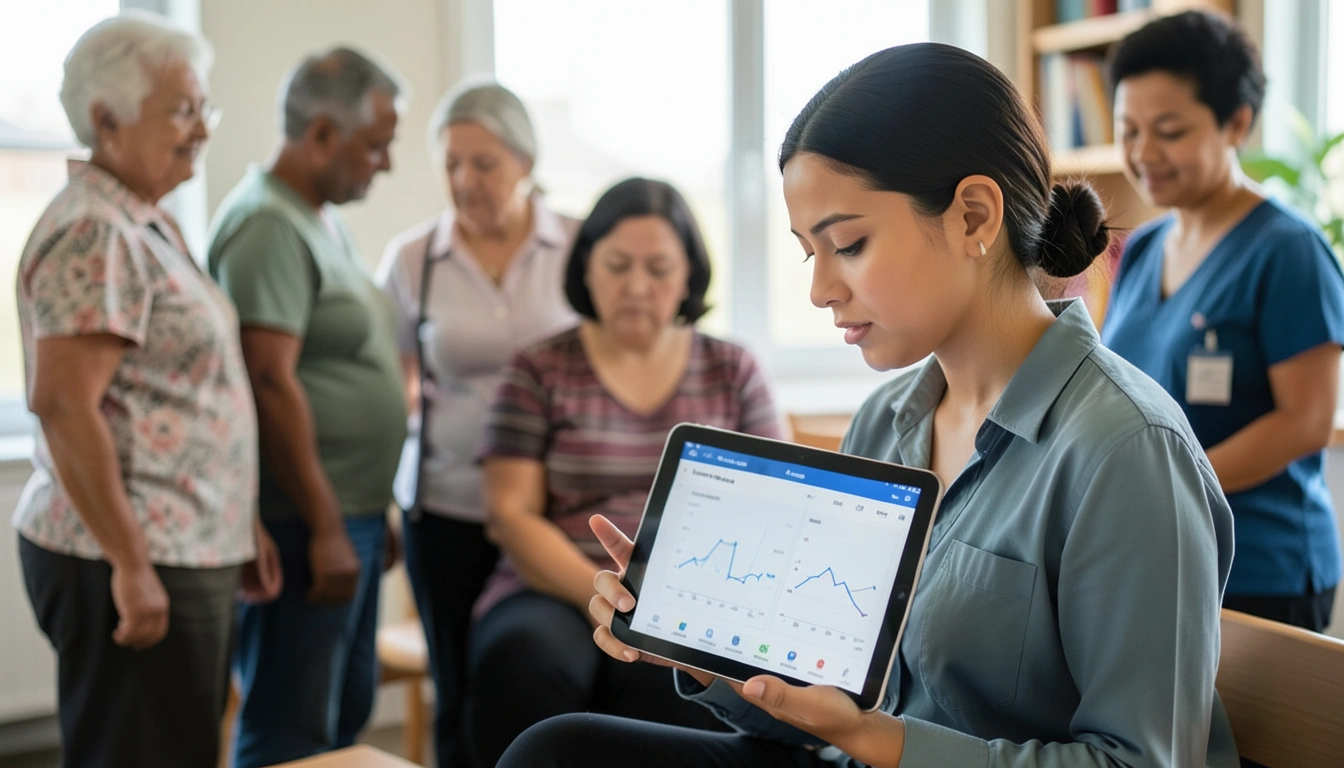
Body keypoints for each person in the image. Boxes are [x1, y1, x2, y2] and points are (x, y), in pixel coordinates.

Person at [498, 43, 1242, 768]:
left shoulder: (1127, 450)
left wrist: (881, 743)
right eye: (807, 253)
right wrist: (696, 646)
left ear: (975, 217)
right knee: (554, 749)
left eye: (847, 244)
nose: (821, 289)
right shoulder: (887, 420)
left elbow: (1140, 760)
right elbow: (828, 709)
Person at [13, 12, 281, 768]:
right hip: (132, 551)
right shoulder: (96, 230)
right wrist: (130, 565)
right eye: (180, 109)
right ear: (106, 120)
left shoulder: (139, 218)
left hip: (184, 538)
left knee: (177, 745)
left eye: (204, 106)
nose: (200, 128)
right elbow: (65, 405)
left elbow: (184, 395)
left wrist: (237, 523)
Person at [463, 177, 784, 767]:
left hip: (690, 599)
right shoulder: (537, 368)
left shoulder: (733, 370)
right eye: (617, 265)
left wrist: (659, 606)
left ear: (690, 275)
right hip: (553, 587)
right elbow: (510, 514)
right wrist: (611, 594)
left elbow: (774, 511)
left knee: (673, 683)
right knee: (525, 660)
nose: (637, 286)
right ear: (585, 267)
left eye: (660, 268)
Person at [1102, 10, 1344, 633]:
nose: (1142, 153)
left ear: (1237, 122)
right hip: (1161, 554)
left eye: (1170, 130)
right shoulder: (1144, 248)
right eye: (1128, 130)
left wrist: (1172, 489)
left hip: (1263, 567)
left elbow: (1307, 421)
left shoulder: (1289, 251)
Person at [206, 46, 408, 768]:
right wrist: (326, 524)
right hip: (301, 520)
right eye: (375, 144)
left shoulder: (320, 218)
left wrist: (369, 508)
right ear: (321, 132)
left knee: (341, 718)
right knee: (288, 732)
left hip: (343, 511)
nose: (382, 163)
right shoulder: (266, 225)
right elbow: (268, 382)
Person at [376, 80, 579, 768]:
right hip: (449, 506)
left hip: (557, 510)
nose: (465, 180)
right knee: (456, 684)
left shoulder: (579, 245)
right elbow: (393, 393)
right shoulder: (412, 261)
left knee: (545, 677)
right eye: (451, 162)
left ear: (523, 161)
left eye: (483, 163)